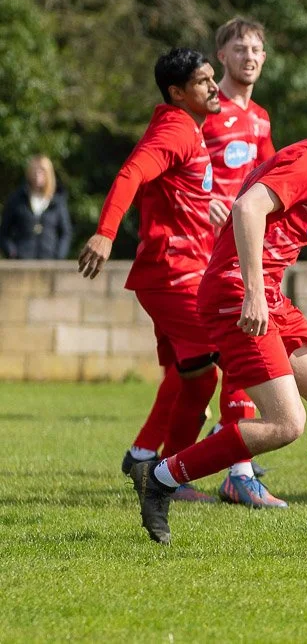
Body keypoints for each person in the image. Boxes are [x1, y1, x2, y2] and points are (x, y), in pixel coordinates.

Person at [129, 84, 307, 544]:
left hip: (268, 295)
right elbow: (247, 208)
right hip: (240, 293)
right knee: (285, 423)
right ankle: (161, 477)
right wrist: (251, 291)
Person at [80, 49, 225, 505]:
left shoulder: (189, 127)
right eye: (204, 81)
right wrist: (105, 233)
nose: (214, 86)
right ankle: (232, 469)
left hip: (178, 272)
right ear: (177, 92)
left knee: (197, 379)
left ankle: (161, 471)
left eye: (212, 78)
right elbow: (132, 172)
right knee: (239, 353)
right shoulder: (176, 128)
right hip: (172, 275)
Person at [198, 16, 283, 507]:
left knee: (241, 357)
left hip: (250, 251)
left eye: (257, 48)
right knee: (226, 357)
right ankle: (233, 465)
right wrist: (202, 195)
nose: (249, 56)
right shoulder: (207, 111)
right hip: (210, 253)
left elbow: (271, 171)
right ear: (222, 56)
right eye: (240, 48)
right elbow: (184, 161)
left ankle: (234, 459)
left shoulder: (262, 118)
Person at [1, 155, 73, 259]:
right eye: (34, 170)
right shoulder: (17, 199)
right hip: (22, 262)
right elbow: (4, 232)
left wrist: (59, 255)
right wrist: (12, 252)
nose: (37, 174)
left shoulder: (58, 202)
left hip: (50, 261)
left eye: (42, 170)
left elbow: (66, 232)